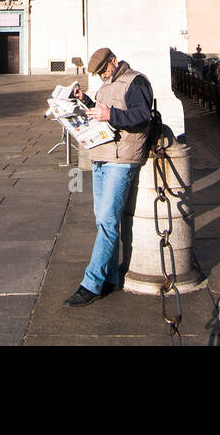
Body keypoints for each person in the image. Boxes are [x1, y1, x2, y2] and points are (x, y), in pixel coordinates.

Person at [63, 46, 156, 307]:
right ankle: (111, 277)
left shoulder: (135, 81)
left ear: (114, 61)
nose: (102, 75)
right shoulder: (106, 86)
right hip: (102, 156)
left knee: (107, 219)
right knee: (102, 219)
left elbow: (141, 115)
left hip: (121, 158)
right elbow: (103, 112)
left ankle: (91, 283)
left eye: (104, 69)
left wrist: (109, 115)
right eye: (98, 73)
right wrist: (86, 103)